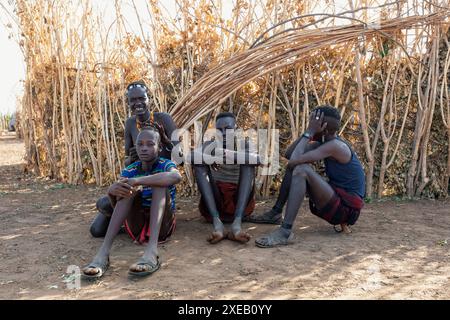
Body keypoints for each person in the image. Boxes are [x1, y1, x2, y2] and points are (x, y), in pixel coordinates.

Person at [254, 105, 365, 248]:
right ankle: (275, 212)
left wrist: (309, 131)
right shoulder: (325, 142)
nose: (310, 123)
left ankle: (285, 231)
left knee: (302, 170)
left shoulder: (336, 146)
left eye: (313, 121)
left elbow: (295, 159)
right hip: (338, 200)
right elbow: (289, 155)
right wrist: (309, 133)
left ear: (323, 126)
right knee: (293, 167)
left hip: (345, 210)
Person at [82, 127, 182, 279]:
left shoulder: (165, 164)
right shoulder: (129, 170)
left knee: (159, 184)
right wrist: (111, 192)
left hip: (162, 225)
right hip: (137, 224)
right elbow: (119, 207)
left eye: (150, 144)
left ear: (159, 147)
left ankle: (152, 252)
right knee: (127, 190)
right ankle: (103, 254)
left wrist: (138, 181)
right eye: (140, 144)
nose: (144, 148)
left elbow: (176, 177)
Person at [90, 81, 179, 238]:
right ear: (128, 103)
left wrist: (164, 141)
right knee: (98, 224)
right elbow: (127, 162)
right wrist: (133, 157)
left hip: (160, 179)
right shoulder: (130, 123)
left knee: (154, 195)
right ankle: (129, 220)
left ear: (148, 99)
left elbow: (181, 158)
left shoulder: (164, 119)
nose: (137, 103)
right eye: (133, 100)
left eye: (141, 98)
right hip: (137, 183)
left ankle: (135, 220)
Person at [191, 112, 260, 244]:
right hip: (216, 202)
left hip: (239, 201)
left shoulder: (245, 144)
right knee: (199, 164)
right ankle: (218, 224)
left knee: (248, 163)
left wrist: (230, 154)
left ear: (236, 129)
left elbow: (258, 159)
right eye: (219, 130)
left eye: (227, 129)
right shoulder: (210, 145)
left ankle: (237, 224)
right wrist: (212, 158)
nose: (223, 133)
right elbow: (191, 157)